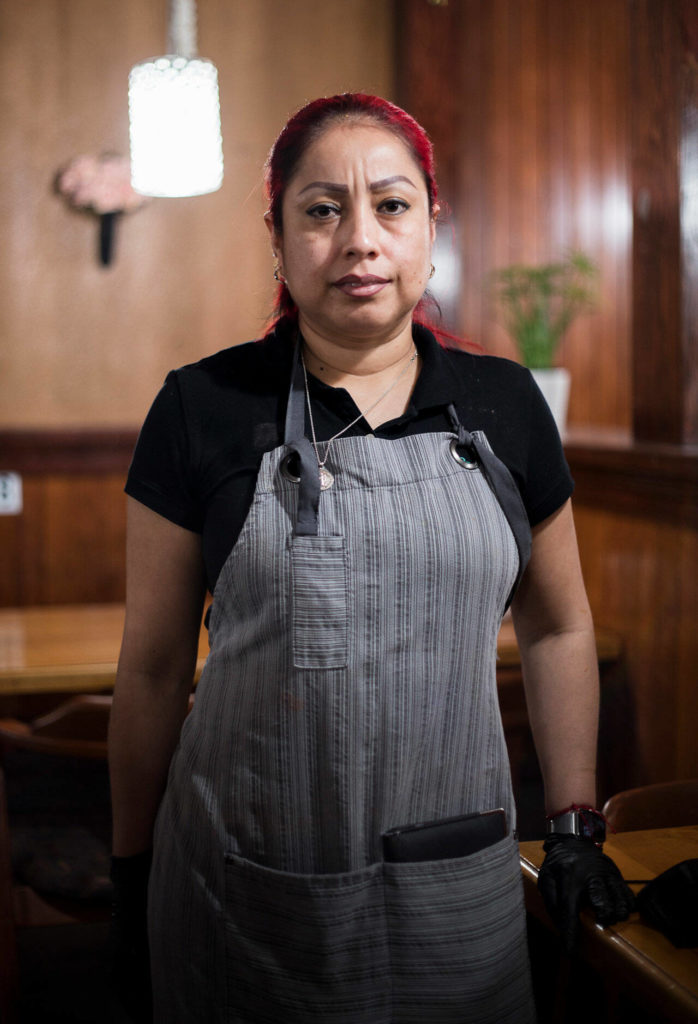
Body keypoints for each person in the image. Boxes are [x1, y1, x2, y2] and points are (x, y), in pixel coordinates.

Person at [108, 93, 634, 1024]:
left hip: (457, 878)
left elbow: (557, 625)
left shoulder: (505, 405)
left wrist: (573, 824)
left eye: (390, 205)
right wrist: (129, 867)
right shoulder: (201, 408)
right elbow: (150, 669)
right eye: (322, 209)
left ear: (432, 225)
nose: (359, 239)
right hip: (244, 880)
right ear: (277, 235)